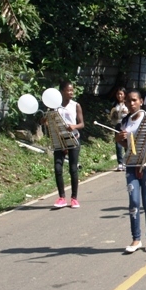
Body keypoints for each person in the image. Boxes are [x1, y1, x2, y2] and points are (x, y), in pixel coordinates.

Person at [115, 90, 146, 253]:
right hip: (131, 165)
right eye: (128, 101)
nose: (131, 103)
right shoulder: (125, 121)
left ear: (141, 101)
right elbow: (126, 145)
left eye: (134, 100)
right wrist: (119, 139)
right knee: (133, 202)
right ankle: (136, 239)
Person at [44, 80, 84, 209]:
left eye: (72, 90)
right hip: (59, 141)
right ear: (62, 92)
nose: (71, 92)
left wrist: (74, 126)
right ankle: (61, 197)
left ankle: (74, 198)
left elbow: (82, 124)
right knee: (57, 168)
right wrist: (46, 118)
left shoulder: (76, 105)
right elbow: (44, 121)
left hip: (73, 139)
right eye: (68, 90)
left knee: (73, 169)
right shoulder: (54, 107)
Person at [109, 87, 128, 171]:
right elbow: (112, 117)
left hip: (126, 125)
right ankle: (120, 163)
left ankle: (127, 162)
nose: (119, 96)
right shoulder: (114, 104)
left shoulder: (128, 103)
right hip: (118, 126)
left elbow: (132, 114)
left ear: (124, 95)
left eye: (121, 94)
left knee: (127, 144)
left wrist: (127, 112)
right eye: (118, 94)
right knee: (118, 145)